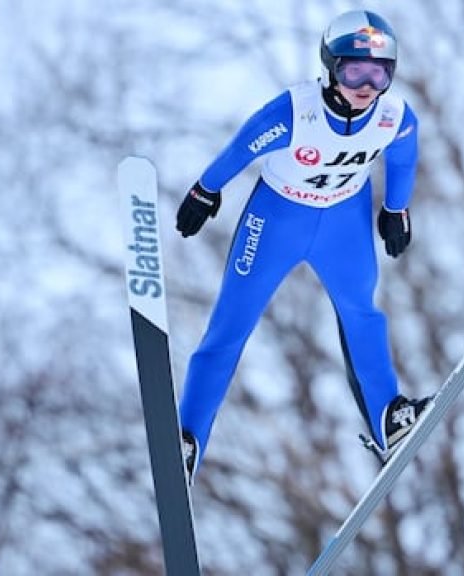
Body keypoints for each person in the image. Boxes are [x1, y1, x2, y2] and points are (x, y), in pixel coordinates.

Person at [175, 10, 429, 482]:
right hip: (277, 220)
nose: (367, 85)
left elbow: (404, 156)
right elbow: (242, 146)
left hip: (343, 224)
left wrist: (396, 209)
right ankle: (187, 439)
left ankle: (388, 417)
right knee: (230, 326)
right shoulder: (296, 111)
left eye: (381, 73)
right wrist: (206, 190)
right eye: (355, 70)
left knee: (362, 314)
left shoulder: (395, 117)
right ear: (332, 67)